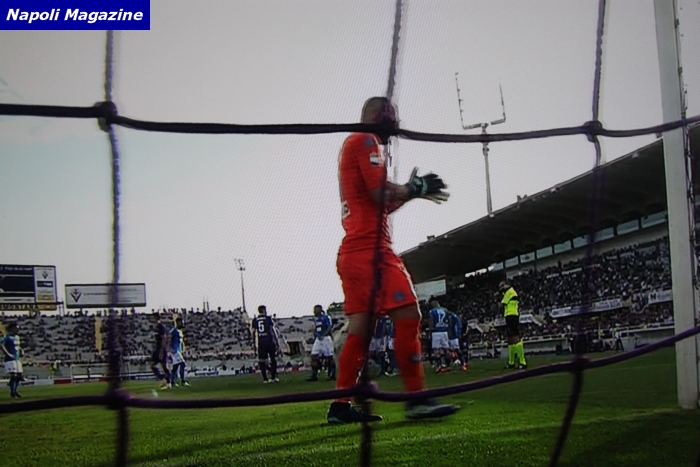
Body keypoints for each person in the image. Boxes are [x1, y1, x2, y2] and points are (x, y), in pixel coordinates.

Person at [328, 96, 460, 424]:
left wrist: (411, 192)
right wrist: (412, 187)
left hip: (354, 253)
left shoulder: (354, 144)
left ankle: (340, 406)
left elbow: (381, 203)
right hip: (371, 252)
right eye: (390, 114)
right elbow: (379, 193)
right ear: (376, 114)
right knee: (409, 314)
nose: (395, 121)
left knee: (361, 331)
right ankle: (416, 399)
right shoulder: (365, 139)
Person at [500, 280, 527, 369]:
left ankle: (522, 362)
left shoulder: (509, 292)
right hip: (510, 316)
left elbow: (502, 304)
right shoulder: (509, 292)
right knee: (510, 339)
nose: (501, 288)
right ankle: (511, 362)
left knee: (515, 338)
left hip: (512, 315)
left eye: (502, 286)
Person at [252, 305, 280, 383]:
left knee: (262, 360)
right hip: (269, 341)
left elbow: (253, 332)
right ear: (264, 310)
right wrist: (276, 342)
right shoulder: (268, 319)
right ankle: (273, 377)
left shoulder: (255, 320)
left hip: (261, 342)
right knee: (273, 359)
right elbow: (272, 330)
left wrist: (254, 344)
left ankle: (265, 378)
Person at [308, 305, 336, 381]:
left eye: (315, 309)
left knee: (329, 357)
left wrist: (324, 334)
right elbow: (316, 329)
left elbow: (329, 327)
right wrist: (315, 334)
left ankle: (332, 375)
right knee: (314, 356)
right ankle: (314, 375)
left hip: (326, 339)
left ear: (320, 310)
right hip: (318, 339)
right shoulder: (315, 319)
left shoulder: (326, 317)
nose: (314, 311)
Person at [1, 322, 24, 398]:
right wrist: (7, 354)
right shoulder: (7, 337)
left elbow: (17, 346)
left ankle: (15, 390)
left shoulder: (17, 337)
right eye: (16, 328)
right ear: (12, 328)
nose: (17, 330)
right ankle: (12, 392)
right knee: (14, 375)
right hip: (10, 359)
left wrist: (21, 350)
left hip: (17, 358)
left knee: (19, 376)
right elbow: (1, 345)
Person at [429, 298, 451, 373]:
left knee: (436, 349)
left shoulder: (432, 311)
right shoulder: (445, 310)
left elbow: (431, 322)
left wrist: (431, 330)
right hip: (444, 331)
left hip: (436, 332)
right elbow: (449, 320)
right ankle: (448, 365)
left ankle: (439, 366)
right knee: (446, 349)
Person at [151, 313, 171, 390]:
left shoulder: (161, 326)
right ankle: (163, 379)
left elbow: (164, 339)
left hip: (161, 349)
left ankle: (167, 382)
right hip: (159, 349)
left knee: (164, 366)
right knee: (153, 366)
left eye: (153, 318)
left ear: (156, 318)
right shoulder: (157, 327)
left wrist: (161, 350)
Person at [169, 317, 189, 387]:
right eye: (181, 322)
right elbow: (168, 339)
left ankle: (172, 382)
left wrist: (183, 349)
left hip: (178, 351)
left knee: (175, 367)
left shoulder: (180, 331)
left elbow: (180, 342)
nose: (182, 323)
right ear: (177, 323)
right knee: (183, 364)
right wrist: (170, 349)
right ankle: (183, 381)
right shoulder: (173, 331)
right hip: (175, 351)